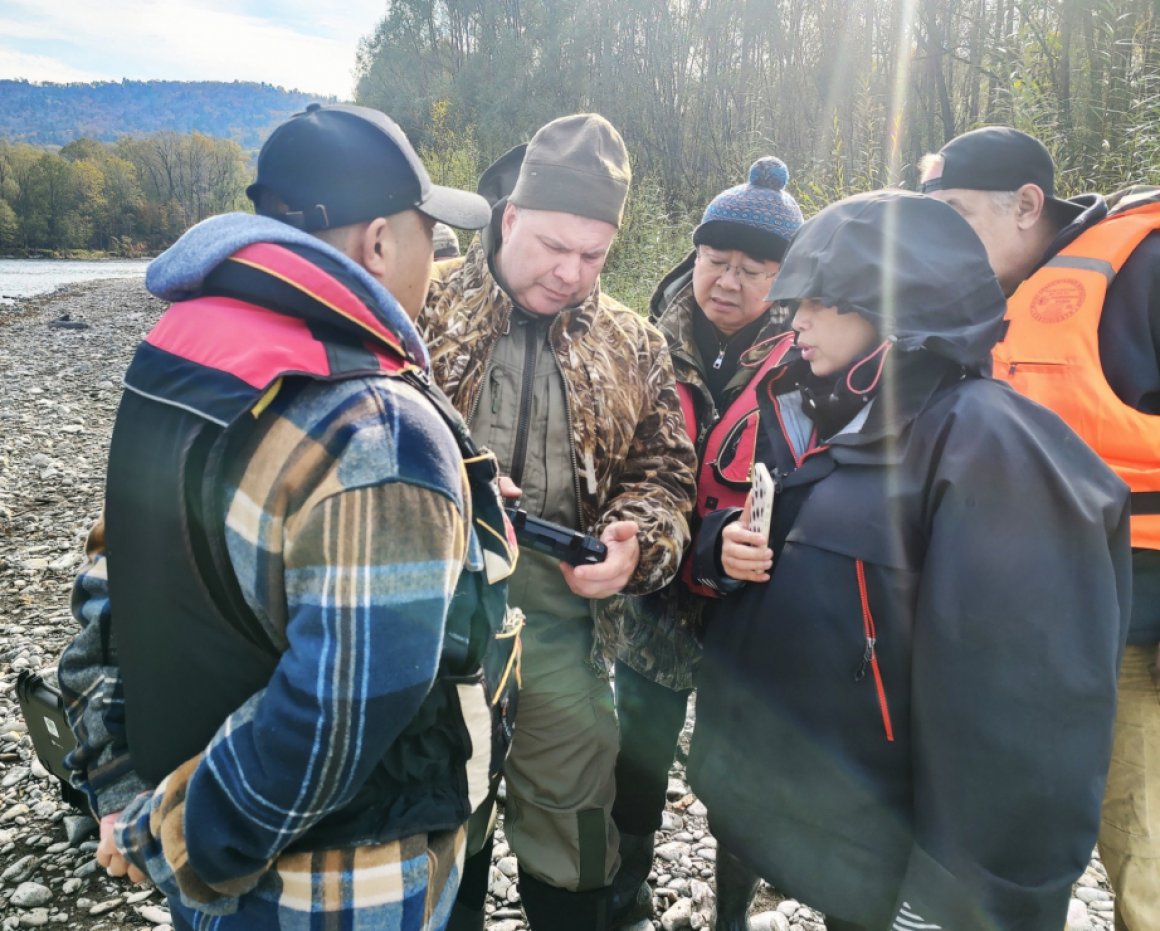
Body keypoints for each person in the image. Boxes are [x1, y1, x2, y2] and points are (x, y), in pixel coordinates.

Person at [57, 103, 517, 931]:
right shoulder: (379, 429)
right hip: (331, 888)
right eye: (429, 234)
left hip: (190, 843)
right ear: (379, 242)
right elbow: (330, 723)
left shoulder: (181, 348)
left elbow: (113, 576)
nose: (438, 261)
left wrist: (123, 789)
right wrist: (181, 838)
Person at [686, 189, 1131, 931]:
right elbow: (791, 559)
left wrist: (959, 894)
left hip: (898, 847)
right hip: (816, 814)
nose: (794, 320)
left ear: (897, 310)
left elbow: (1028, 712)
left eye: (823, 301)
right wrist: (717, 551)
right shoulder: (820, 412)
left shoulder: (989, 448)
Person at [420, 112, 698, 931]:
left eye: (594, 255)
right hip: (430, 629)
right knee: (437, 823)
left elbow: (666, 476)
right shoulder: (420, 306)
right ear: (509, 217)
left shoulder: (634, 344)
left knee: (576, 832)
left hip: (566, 631)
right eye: (552, 246)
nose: (572, 273)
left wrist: (636, 544)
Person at [920, 126, 1160, 931]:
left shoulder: (1143, 268)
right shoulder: (984, 300)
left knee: (1146, 864)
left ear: (1026, 204)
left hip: (1139, 638)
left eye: (956, 212)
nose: (942, 236)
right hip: (1027, 639)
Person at [607, 156, 804, 930]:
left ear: (782, 278)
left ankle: (730, 912)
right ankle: (624, 894)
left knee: (741, 780)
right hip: (654, 603)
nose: (726, 280)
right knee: (636, 760)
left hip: (752, 613)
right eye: (714, 260)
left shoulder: (812, 363)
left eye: (752, 269)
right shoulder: (643, 342)